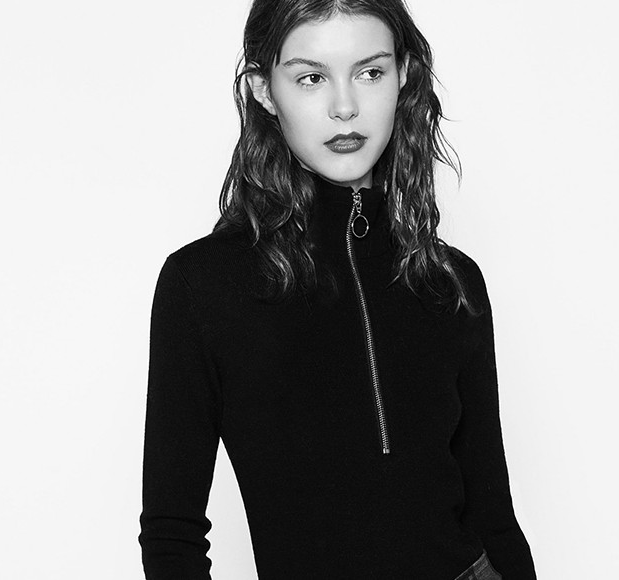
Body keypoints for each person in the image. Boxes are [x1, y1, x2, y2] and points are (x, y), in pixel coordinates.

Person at [138, 0, 537, 578]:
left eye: (370, 72)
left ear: (403, 76)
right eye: (312, 77)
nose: (345, 107)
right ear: (264, 90)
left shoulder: (451, 281)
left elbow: (494, 516)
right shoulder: (202, 285)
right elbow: (172, 535)